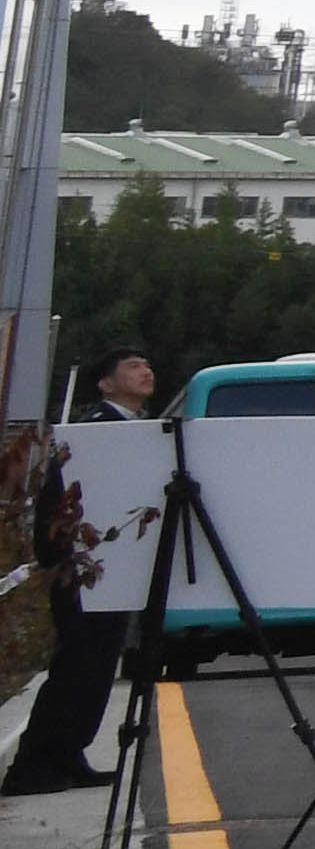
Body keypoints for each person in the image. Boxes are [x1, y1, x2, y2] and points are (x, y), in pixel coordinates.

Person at [3, 342, 165, 798]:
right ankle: (32, 767)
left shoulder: (133, 428)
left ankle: (68, 756)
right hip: (81, 567)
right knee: (77, 666)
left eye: (148, 364)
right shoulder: (98, 428)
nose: (145, 371)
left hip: (108, 566)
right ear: (105, 382)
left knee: (96, 669)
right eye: (134, 366)